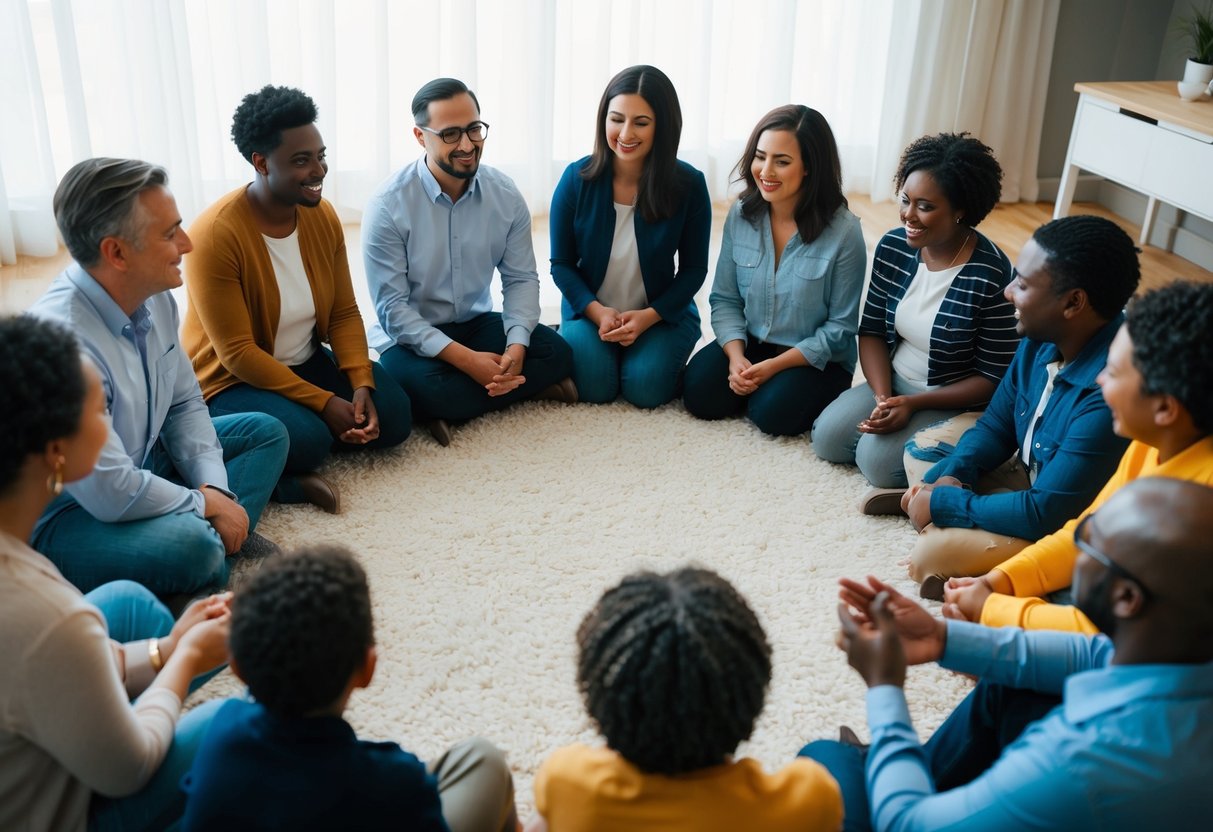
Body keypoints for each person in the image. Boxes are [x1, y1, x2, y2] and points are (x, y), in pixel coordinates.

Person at [801, 477, 1213, 832]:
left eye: (1087, 542)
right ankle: (900, 769)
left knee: (824, 761)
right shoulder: (1181, 651)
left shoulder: (1079, 758)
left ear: (1127, 597)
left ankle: (884, 766)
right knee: (1012, 687)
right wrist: (941, 638)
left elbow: (907, 825)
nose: (1075, 548)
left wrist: (884, 688)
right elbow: (1091, 653)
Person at [0, 314, 233, 832]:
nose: (110, 425)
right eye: (99, 411)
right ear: (56, 452)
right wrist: (187, 656)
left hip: (37, 684)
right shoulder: (44, 614)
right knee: (229, 726)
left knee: (130, 604)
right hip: (54, 811)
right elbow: (129, 768)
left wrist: (167, 648)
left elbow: (56, 655)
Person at [28, 158, 288, 596]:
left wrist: (212, 489)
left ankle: (219, 531)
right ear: (116, 253)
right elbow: (110, 491)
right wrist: (203, 503)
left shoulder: (155, 295)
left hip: (141, 459)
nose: (187, 244)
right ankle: (208, 552)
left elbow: (184, 403)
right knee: (196, 551)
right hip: (71, 512)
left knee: (265, 433)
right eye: (169, 234)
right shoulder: (62, 345)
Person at [182, 86, 410, 515]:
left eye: (321, 155)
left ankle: (313, 434)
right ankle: (281, 482)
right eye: (302, 160)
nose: (318, 170)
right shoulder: (214, 236)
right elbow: (238, 354)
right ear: (262, 163)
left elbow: (343, 310)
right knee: (309, 439)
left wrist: (359, 381)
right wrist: (325, 402)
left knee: (393, 413)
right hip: (231, 381)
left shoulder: (320, 215)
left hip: (303, 358)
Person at [180, 544, 519, 832]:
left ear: (237, 666)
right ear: (367, 668)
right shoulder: (396, 782)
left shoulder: (218, 736)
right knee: (483, 759)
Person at [942, 280, 1213, 631]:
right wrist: (999, 582)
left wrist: (994, 610)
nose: (1098, 380)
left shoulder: (1197, 506)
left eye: (1113, 372)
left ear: (1164, 407)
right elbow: (1087, 533)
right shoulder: (1151, 444)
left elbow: (1119, 633)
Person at [897, 216, 1139, 598]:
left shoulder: (1110, 390)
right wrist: (953, 475)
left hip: (1062, 519)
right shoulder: (1041, 332)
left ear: (1074, 302)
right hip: (1027, 475)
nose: (1008, 291)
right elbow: (996, 425)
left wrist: (945, 500)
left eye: (1023, 284)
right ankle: (937, 505)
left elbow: (1045, 514)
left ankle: (934, 514)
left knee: (930, 556)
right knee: (922, 454)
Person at [527, 567, 842, 831]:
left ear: (596, 697)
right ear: (753, 690)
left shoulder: (567, 780)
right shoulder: (809, 798)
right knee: (826, 752)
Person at [363, 77, 574, 445]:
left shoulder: (505, 194)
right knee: (423, 386)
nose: (467, 145)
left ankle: (454, 411)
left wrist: (516, 347)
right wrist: (466, 361)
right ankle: (493, 396)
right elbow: (393, 311)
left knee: (557, 351)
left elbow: (521, 279)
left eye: (474, 129)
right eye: (450, 134)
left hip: (475, 323)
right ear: (419, 136)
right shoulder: (387, 206)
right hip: (411, 337)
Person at [811, 133, 1018, 498]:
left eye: (925, 206)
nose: (908, 215)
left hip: (952, 397)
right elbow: (872, 330)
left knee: (876, 463)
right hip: (894, 384)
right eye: (905, 200)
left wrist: (915, 404)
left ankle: (955, 474)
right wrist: (883, 398)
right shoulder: (894, 247)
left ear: (960, 211)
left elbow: (993, 377)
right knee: (827, 438)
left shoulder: (992, 275)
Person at [682, 105, 864, 436]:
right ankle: (757, 384)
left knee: (770, 414)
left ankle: (775, 391)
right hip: (754, 341)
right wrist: (736, 357)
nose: (765, 171)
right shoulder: (742, 214)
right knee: (698, 393)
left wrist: (775, 368)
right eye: (760, 156)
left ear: (809, 167)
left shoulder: (845, 232)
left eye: (781, 161)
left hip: (814, 358)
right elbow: (724, 298)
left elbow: (840, 329)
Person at [550, 65, 710, 408]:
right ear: (603, 119)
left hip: (659, 312)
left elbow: (694, 269)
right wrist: (597, 313)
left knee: (645, 391)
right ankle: (568, 334)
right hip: (591, 309)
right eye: (616, 119)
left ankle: (642, 353)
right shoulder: (575, 178)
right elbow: (561, 264)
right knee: (595, 387)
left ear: (662, 127)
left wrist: (649, 316)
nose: (625, 133)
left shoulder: (689, 185)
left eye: (641, 122)